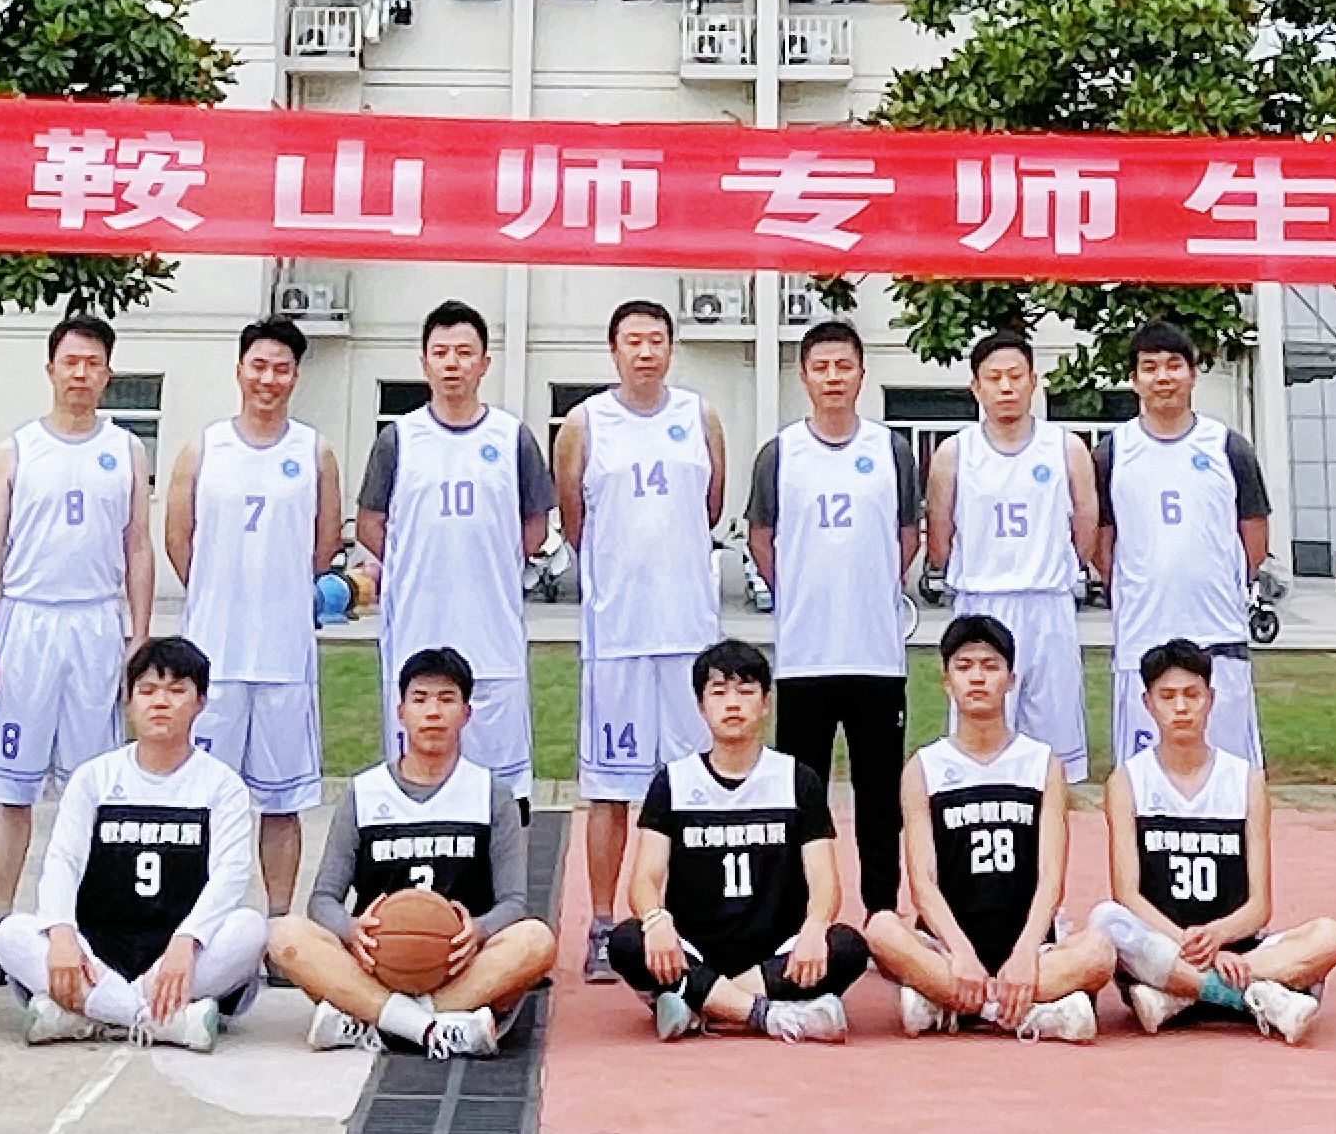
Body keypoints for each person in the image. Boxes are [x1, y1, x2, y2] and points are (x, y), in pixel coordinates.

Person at [557, 297, 730, 983]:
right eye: (633, 340)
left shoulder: (700, 416)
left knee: (696, 785)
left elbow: (710, 508)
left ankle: (693, 917)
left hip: (688, 633)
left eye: (656, 339)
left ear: (670, 347)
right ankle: (604, 923)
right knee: (609, 788)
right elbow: (575, 519)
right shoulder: (585, 423)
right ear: (614, 349)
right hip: (618, 635)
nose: (645, 351)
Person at [269, 645, 556, 1057]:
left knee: (536, 939)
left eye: (446, 699)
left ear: (466, 713)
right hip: (376, 963)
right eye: (420, 699)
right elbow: (323, 900)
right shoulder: (365, 793)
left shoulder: (491, 794)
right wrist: (352, 930)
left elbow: (513, 902)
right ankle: (434, 1026)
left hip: (459, 965)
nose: (433, 712)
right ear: (400, 712)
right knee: (284, 934)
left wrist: (478, 930)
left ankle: (379, 1022)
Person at [0, 637, 269, 1050]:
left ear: (200, 702)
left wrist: (187, 940)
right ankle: (157, 1020)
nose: (160, 703)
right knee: (10, 933)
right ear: (128, 700)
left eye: (176, 691)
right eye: (148, 690)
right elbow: (63, 862)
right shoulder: (94, 778)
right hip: (99, 950)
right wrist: (62, 933)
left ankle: (87, 1013)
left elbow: (230, 876)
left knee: (250, 928)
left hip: (177, 951)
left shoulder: (221, 785)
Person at [0, 314, 153, 920]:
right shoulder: (16, 449)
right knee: (9, 787)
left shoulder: (125, 450)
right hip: (27, 623)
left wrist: (139, 635)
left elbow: (138, 547)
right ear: (50, 369)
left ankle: (84, 919)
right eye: (70, 362)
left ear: (108, 375)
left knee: (92, 785)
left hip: (96, 624)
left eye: (92, 364)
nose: (80, 374)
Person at [861, 613, 1109, 1041]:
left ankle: (953, 1005)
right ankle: (1023, 1011)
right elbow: (923, 882)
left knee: (1100, 951)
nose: (977, 678)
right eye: (964, 666)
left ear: (1010, 680)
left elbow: (1051, 877)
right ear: (947, 682)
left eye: (990, 666)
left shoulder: (1042, 764)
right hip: (949, 945)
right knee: (881, 929)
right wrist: (960, 953)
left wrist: (1026, 952)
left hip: (1030, 943)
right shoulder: (924, 768)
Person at [748, 318, 921, 919]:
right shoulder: (780, 454)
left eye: (843, 366)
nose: (832, 378)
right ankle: (799, 917)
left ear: (861, 374)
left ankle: (882, 914)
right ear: (804, 376)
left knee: (880, 799)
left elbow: (906, 536)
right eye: (820, 367)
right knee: (802, 795)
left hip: (876, 656)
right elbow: (762, 538)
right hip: (804, 657)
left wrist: (871, 587)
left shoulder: (891, 450)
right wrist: (800, 592)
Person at [168, 315, 342, 912]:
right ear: (239, 370)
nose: (269, 379)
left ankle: (278, 922)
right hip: (213, 657)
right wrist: (220, 592)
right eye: (259, 366)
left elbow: (324, 544)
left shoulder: (314, 451)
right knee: (202, 800)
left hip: (284, 658)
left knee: (281, 803)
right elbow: (179, 540)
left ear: (295, 376)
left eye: (281, 369)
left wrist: (280, 593)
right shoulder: (203, 448)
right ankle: (199, 919)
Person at [617, 638, 864, 1044]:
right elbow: (645, 877)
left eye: (746, 691)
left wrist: (815, 927)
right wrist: (657, 921)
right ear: (700, 706)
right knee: (627, 940)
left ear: (766, 703)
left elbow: (824, 881)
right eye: (719, 692)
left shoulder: (797, 780)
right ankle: (768, 1014)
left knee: (847, 946)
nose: (733, 704)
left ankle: (700, 1003)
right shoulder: (673, 782)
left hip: (775, 951)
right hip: (695, 948)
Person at [1091, 640, 1336, 1044]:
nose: (1181, 708)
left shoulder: (1245, 780)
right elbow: (1127, 895)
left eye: (1192, 695)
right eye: (1167, 697)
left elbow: (1259, 906)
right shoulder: (1128, 781)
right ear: (1147, 703)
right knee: (1106, 920)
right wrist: (1188, 944)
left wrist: (1218, 938)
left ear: (1211, 699)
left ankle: (1181, 996)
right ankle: (1252, 996)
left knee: (1328, 936)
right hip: (1165, 945)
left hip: (1238, 949)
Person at [355, 300, 554, 786]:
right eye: (440, 352)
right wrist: (416, 563)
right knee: (417, 778)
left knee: (500, 787)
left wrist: (491, 562)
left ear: (484, 363)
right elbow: (370, 524)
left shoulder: (513, 437)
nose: (452, 364)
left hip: (493, 639)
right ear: (424, 362)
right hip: (417, 632)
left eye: (464, 352)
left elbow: (535, 526)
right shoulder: (398, 438)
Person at [926, 329, 1101, 783]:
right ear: (975, 386)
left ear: (1033, 381)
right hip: (981, 602)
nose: (1005, 387)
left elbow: (1085, 526)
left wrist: (1059, 571)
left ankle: (1051, 825)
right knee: (978, 735)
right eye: (994, 377)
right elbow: (940, 536)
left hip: (1047, 604)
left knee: (1053, 751)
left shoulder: (1066, 447)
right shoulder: (954, 453)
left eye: (1015, 376)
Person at [1096, 319, 1270, 767]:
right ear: (1134, 379)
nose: (1163, 377)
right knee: (1143, 777)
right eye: (1150, 367)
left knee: (1230, 774)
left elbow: (1253, 535)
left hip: (1218, 636)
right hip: (1142, 637)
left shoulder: (1228, 448)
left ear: (1193, 373)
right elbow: (1102, 542)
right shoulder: (1112, 453)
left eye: (1174, 365)